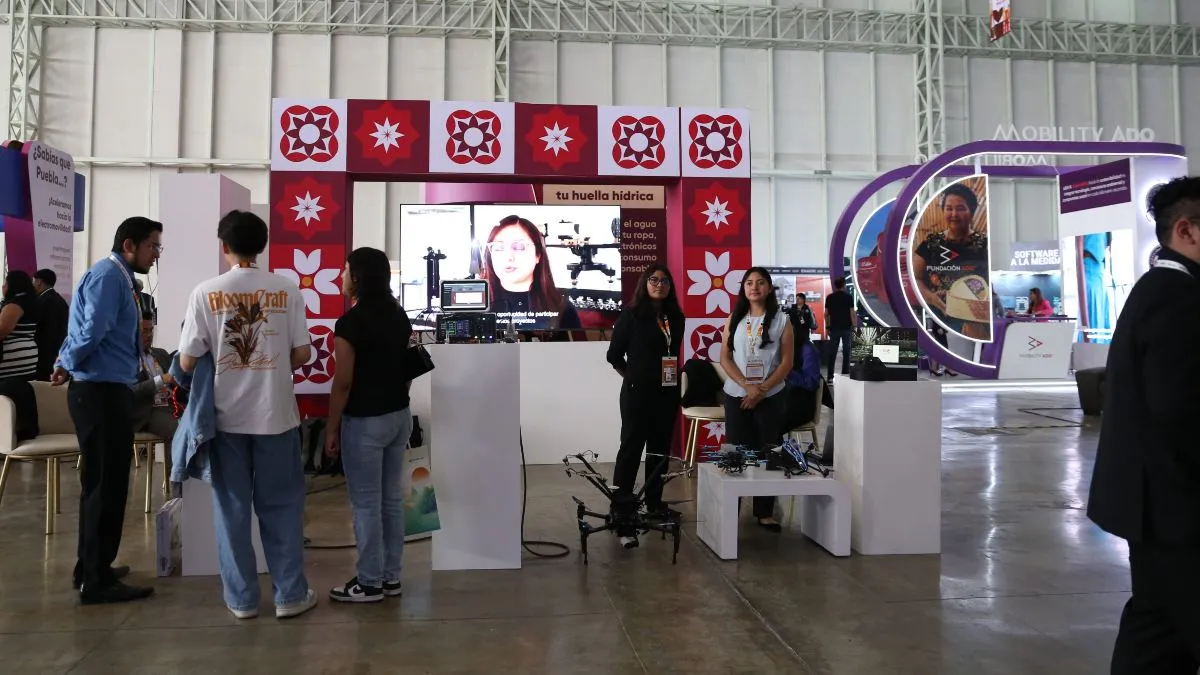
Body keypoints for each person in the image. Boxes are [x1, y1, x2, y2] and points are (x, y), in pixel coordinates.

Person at [177, 210, 315, 620]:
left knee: (232, 511)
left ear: (224, 246)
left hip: (225, 422)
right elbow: (302, 353)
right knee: (283, 507)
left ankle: (242, 600)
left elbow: (186, 361)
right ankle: (290, 596)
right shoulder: (287, 289)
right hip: (276, 417)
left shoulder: (205, 293)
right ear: (263, 245)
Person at [1087, 176, 1200, 674]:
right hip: (1176, 507)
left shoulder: (1159, 289)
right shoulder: (1179, 298)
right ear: (1186, 231)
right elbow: (1180, 412)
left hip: (1155, 506)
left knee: (1157, 632)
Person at [54, 216, 162, 604]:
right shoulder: (109, 277)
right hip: (99, 391)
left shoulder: (120, 279)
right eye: (152, 246)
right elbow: (90, 331)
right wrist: (65, 363)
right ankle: (96, 580)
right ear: (129, 245)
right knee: (106, 485)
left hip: (108, 388)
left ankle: (91, 566)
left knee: (103, 482)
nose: (156, 254)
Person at [324, 247, 415, 603]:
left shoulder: (351, 323)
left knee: (365, 504)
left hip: (364, 422)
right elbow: (408, 369)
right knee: (391, 499)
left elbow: (343, 383)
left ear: (358, 277)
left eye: (345, 270)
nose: (341, 277)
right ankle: (391, 578)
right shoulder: (398, 314)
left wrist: (331, 428)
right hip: (399, 416)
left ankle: (369, 582)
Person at [605, 263, 685, 549]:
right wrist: (633, 377)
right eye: (654, 279)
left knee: (659, 451)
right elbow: (614, 356)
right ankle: (622, 510)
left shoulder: (676, 317)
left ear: (670, 286)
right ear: (644, 283)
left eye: (664, 280)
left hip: (667, 392)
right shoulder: (631, 315)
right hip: (637, 394)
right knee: (631, 449)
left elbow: (672, 352)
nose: (659, 284)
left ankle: (654, 504)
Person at [720, 267, 794, 531]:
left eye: (761, 282)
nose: (754, 287)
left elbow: (786, 363)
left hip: (770, 394)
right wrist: (746, 386)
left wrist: (761, 390)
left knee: (768, 450)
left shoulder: (782, 320)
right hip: (736, 393)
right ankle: (731, 507)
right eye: (749, 283)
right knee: (735, 450)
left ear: (769, 288)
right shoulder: (735, 318)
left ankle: (765, 512)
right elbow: (725, 358)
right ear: (743, 288)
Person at [912, 183, 990, 339]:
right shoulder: (930, 244)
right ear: (943, 210)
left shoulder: (984, 244)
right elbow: (915, 278)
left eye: (960, 208)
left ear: (971, 211)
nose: (954, 214)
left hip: (974, 321)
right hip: (936, 318)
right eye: (949, 208)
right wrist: (930, 297)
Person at [481, 215, 581, 330]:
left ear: (538, 255)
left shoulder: (562, 308)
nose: (508, 257)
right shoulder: (476, 304)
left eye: (519, 247)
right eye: (498, 248)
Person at [130, 311, 177, 487]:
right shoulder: (128, 359)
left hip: (170, 405)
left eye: (151, 330)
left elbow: (174, 381)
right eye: (144, 331)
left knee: (199, 423)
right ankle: (177, 484)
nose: (149, 335)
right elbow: (130, 391)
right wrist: (160, 380)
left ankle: (199, 483)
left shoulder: (161, 354)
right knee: (178, 429)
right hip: (147, 411)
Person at [0, 271, 40, 382]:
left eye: (5, 283)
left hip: (11, 359)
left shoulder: (14, 305)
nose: (3, 286)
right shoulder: (30, 302)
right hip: (26, 357)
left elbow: (2, 331)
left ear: (13, 285)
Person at [33, 269, 69, 381]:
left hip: (43, 356)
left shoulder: (42, 301)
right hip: (57, 354)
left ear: (39, 282)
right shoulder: (60, 300)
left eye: (33, 281)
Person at [823, 277, 855, 381]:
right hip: (846, 328)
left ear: (835, 285)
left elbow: (826, 314)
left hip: (834, 328)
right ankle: (845, 375)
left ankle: (830, 377)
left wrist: (827, 326)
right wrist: (854, 326)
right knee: (846, 352)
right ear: (844, 285)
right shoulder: (848, 297)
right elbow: (852, 313)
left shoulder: (829, 297)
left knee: (832, 353)